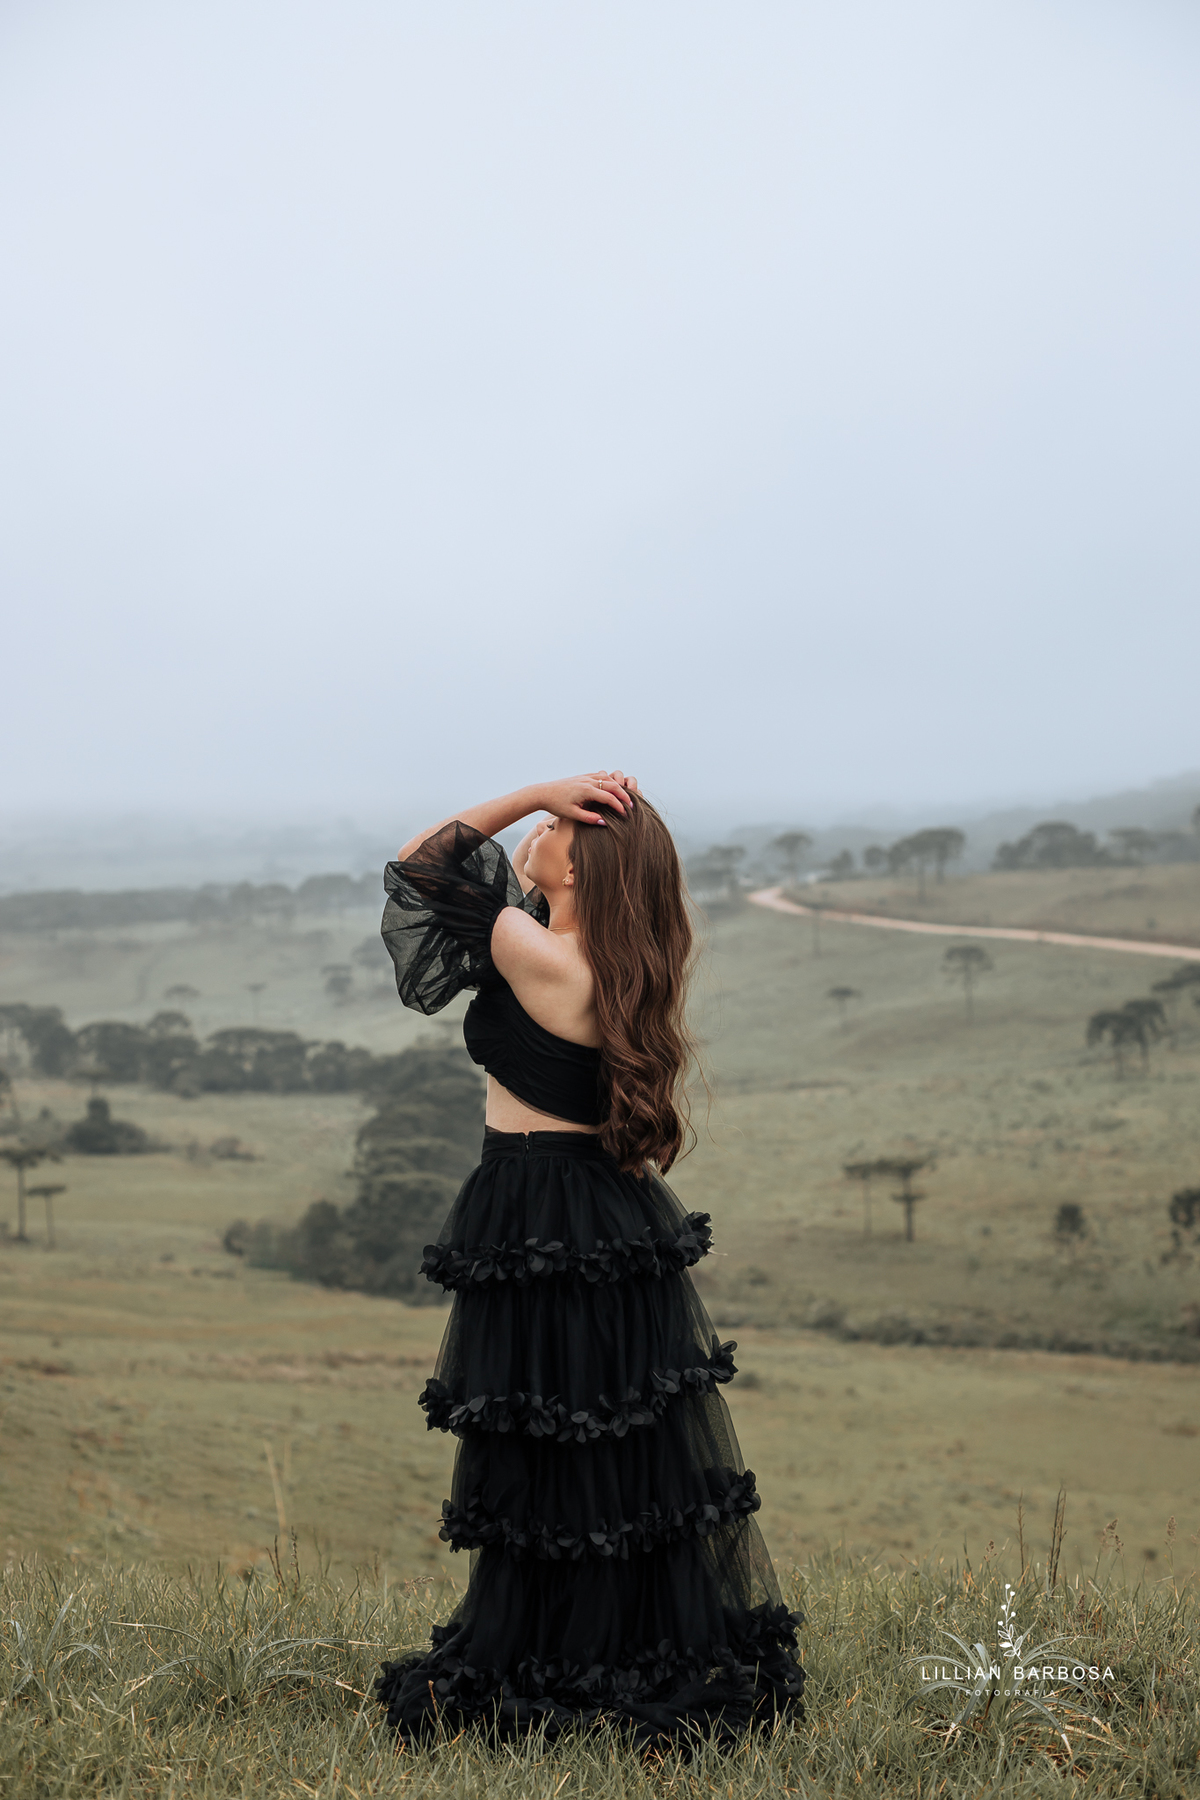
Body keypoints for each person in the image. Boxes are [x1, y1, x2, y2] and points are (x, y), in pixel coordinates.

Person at [374, 772, 804, 1747]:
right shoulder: (596, 954)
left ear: (581, 868)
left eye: (560, 824)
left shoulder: (537, 951)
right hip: (599, 1207)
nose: (540, 825)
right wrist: (557, 805)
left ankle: (560, 1655)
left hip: (541, 1207)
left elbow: (418, 865)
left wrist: (537, 783)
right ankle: (610, 1641)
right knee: (608, 1450)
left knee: (548, 1445)